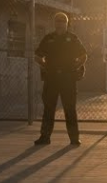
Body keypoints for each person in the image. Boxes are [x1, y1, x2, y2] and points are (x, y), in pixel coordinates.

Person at [34, 12, 87, 146]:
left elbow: (83, 55)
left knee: (70, 109)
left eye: (63, 21)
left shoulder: (72, 38)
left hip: (68, 79)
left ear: (67, 23)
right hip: (51, 79)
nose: (60, 24)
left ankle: (74, 139)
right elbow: (37, 56)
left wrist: (76, 66)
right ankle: (45, 137)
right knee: (48, 109)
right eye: (57, 21)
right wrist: (45, 65)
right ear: (54, 23)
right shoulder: (48, 38)